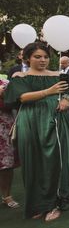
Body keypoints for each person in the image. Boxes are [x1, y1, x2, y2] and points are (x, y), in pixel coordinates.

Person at [4, 42, 69, 221]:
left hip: (55, 120)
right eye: (37, 56)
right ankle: (38, 204)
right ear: (27, 58)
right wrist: (49, 91)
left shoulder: (58, 75)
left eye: (45, 56)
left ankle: (55, 204)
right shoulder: (20, 76)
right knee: (32, 161)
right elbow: (22, 98)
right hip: (30, 121)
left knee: (54, 160)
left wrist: (67, 102)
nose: (42, 60)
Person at [0, 77, 19, 209]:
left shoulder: (5, 84)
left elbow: (16, 103)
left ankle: (7, 196)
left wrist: (4, 96)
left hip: (4, 129)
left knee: (6, 165)